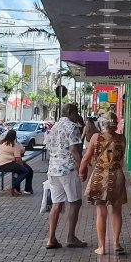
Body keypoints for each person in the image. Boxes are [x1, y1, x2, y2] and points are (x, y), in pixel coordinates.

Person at [79, 112, 127, 255]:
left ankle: (102, 246)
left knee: (101, 212)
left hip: (100, 175)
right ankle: (116, 243)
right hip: (118, 175)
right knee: (117, 211)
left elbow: (86, 158)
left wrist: (82, 171)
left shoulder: (95, 137)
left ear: (102, 123)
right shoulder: (121, 138)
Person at [44, 103, 86, 249]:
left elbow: (49, 147)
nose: (77, 115)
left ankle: (51, 239)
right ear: (70, 112)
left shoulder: (54, 127)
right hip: (68, 169)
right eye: (76, 112)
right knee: (75, 202)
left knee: (57, 204)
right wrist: (82, 167)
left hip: (53, 170)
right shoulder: (71, 127)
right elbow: (75, 149)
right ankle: (71, 237)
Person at [0, 129, 33, 196]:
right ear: (15, 137)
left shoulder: (3, 143)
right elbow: (18, 159)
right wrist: (22, 166)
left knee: (23, 170)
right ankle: (13, 187)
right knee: (26, 171)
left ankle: (18, 189)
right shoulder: (14, 145)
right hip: (7, 163)